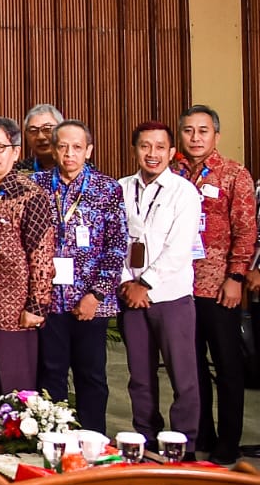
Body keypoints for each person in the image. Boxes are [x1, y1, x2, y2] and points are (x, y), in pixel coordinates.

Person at [168, 105, 255, 466]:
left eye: (203, 131)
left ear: (215, 135)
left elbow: (246, 230)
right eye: (188, 131)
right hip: (179, 284)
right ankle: (202, 432)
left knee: (227, 366)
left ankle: (229, 440)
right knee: (191, 367)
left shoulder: (234, 174)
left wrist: (236, 277)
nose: (195, 138)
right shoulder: (171, 174)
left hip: (218, 285)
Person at [34, 120, 126, 434]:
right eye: (63, 146)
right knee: (51, 374)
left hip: (90, 302)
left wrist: (96, 295)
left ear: (88, 150)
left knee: (91, 377)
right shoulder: (37, 186)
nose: (69, 153)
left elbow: (116, 246)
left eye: (77, 147)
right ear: (53, 149)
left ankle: (93, 442)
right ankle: (54, 443)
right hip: (49, 301)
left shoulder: (107, 189)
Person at [0, 117, 54, 432]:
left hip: (15, 307)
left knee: (14, 383)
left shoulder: (31, 195)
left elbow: (42, 254)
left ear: (15, 152)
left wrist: (37, 305)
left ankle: (15, 444)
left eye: (0, 147)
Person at [118, 121, 202, 447]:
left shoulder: (184, 192)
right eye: (144, 146)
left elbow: (179, 249)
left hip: (171, 297)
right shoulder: (121, 188)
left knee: (184, 377)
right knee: (139, 377)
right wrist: (128, 283)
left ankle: (185, 445)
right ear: (135, 149)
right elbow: (113, 241)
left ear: (170, 152)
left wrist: (146, 284)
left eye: (159, 147)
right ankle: (146, 442)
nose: (151, 154)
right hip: (130, 297)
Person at [16, 104, 64, 175]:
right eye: (33, 130)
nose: (40, 137)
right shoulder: (19, 171)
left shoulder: (79, 168)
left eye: (47, 129)